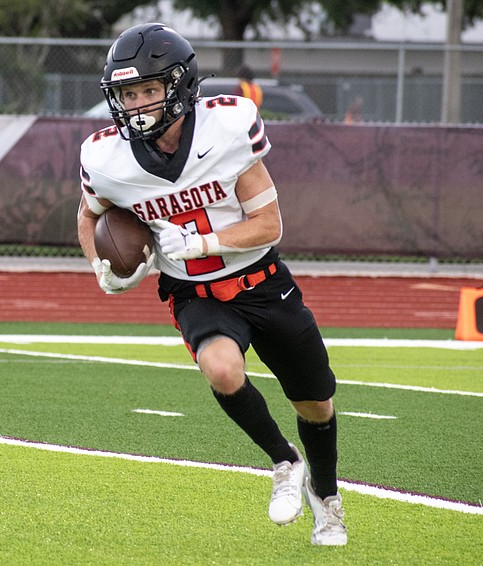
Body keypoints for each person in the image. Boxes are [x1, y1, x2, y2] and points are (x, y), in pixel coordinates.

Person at [77, 23, 347, 546]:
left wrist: (203, 244)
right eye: (127, 94)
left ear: (179, 87)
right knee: (222, 369)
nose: (136, 105)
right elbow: (89, 216)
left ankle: (328, 500)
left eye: (148, 91)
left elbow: (270, 225)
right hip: (194, 293)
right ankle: (284, 462)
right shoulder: (105, 158)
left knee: (315, 402)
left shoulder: (226, 129)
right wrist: (101, 267)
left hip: (262, 281)